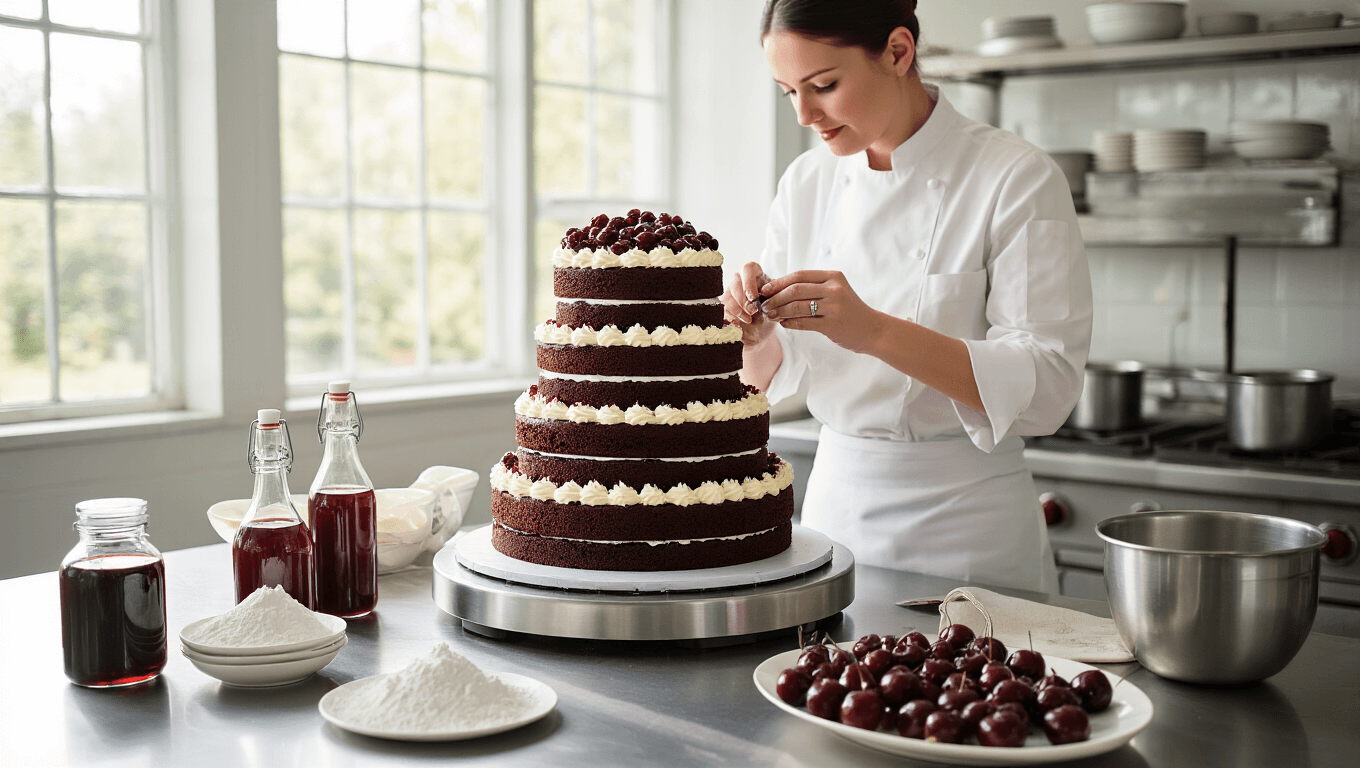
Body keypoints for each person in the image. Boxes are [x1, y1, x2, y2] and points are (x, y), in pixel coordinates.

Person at [723, 0, 1092, 593]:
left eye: (824, 85)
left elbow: (1048, 386)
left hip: (969, 534)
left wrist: (874, 331)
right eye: (788, 91)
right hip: (834, 516)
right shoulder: (805, 184)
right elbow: (774, 374)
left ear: (898, 51)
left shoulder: (1015, 176)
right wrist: (756, 336)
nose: (804, 114)